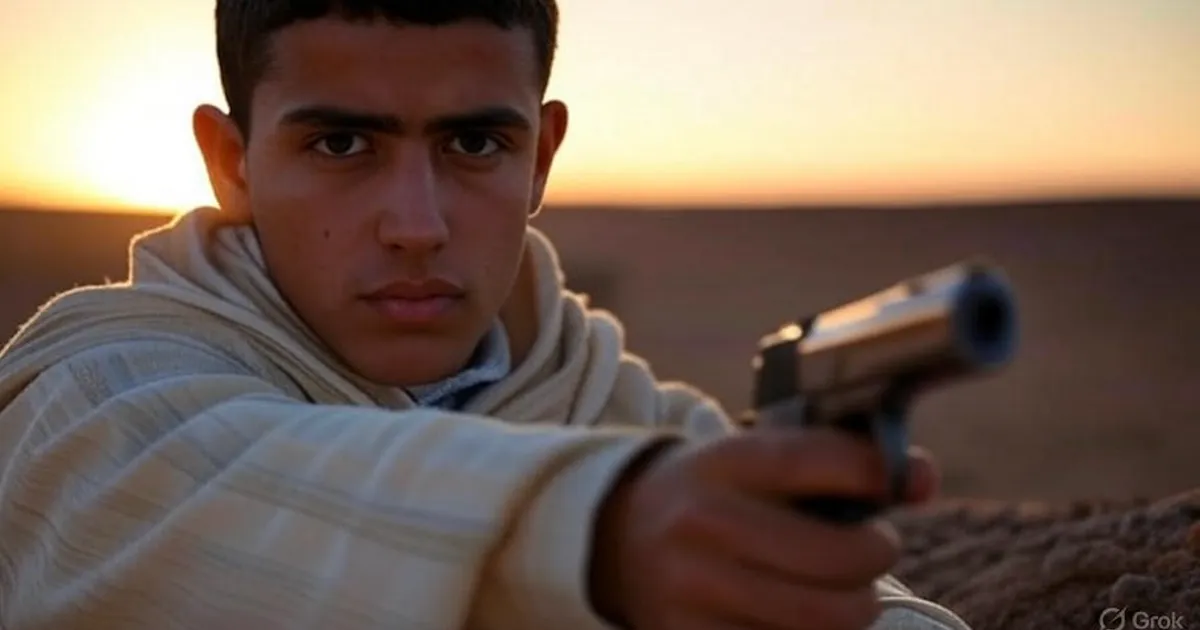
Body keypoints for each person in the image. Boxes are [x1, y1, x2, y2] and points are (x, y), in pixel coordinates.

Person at [0, 2, 974, 629]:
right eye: (341, 145)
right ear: (233, 162)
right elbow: (217, 491)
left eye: (473, 145)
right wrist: (593, 534)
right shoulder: (97, 391)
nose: (416, 226)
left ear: (540, 156)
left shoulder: (609, 405)